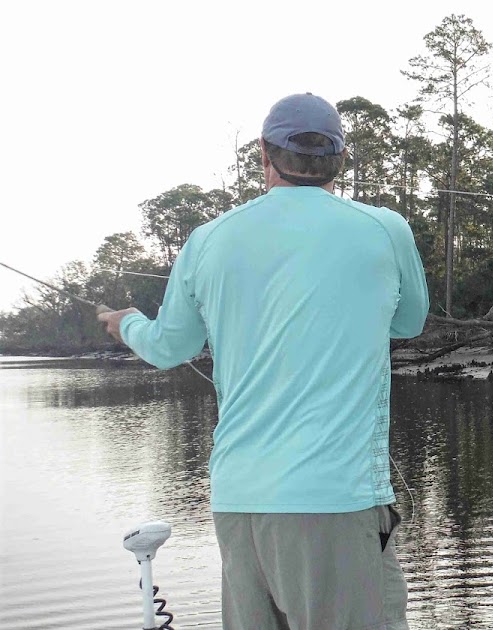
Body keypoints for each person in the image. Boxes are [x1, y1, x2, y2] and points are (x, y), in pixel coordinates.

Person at [98, 92, 428, 630]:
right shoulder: (385, 228)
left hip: (238, 504)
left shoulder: (206, 240)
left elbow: (166, 348)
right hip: (335, 503)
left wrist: (125, 322)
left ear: (262, 154)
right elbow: (409, 322)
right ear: (340, 158)